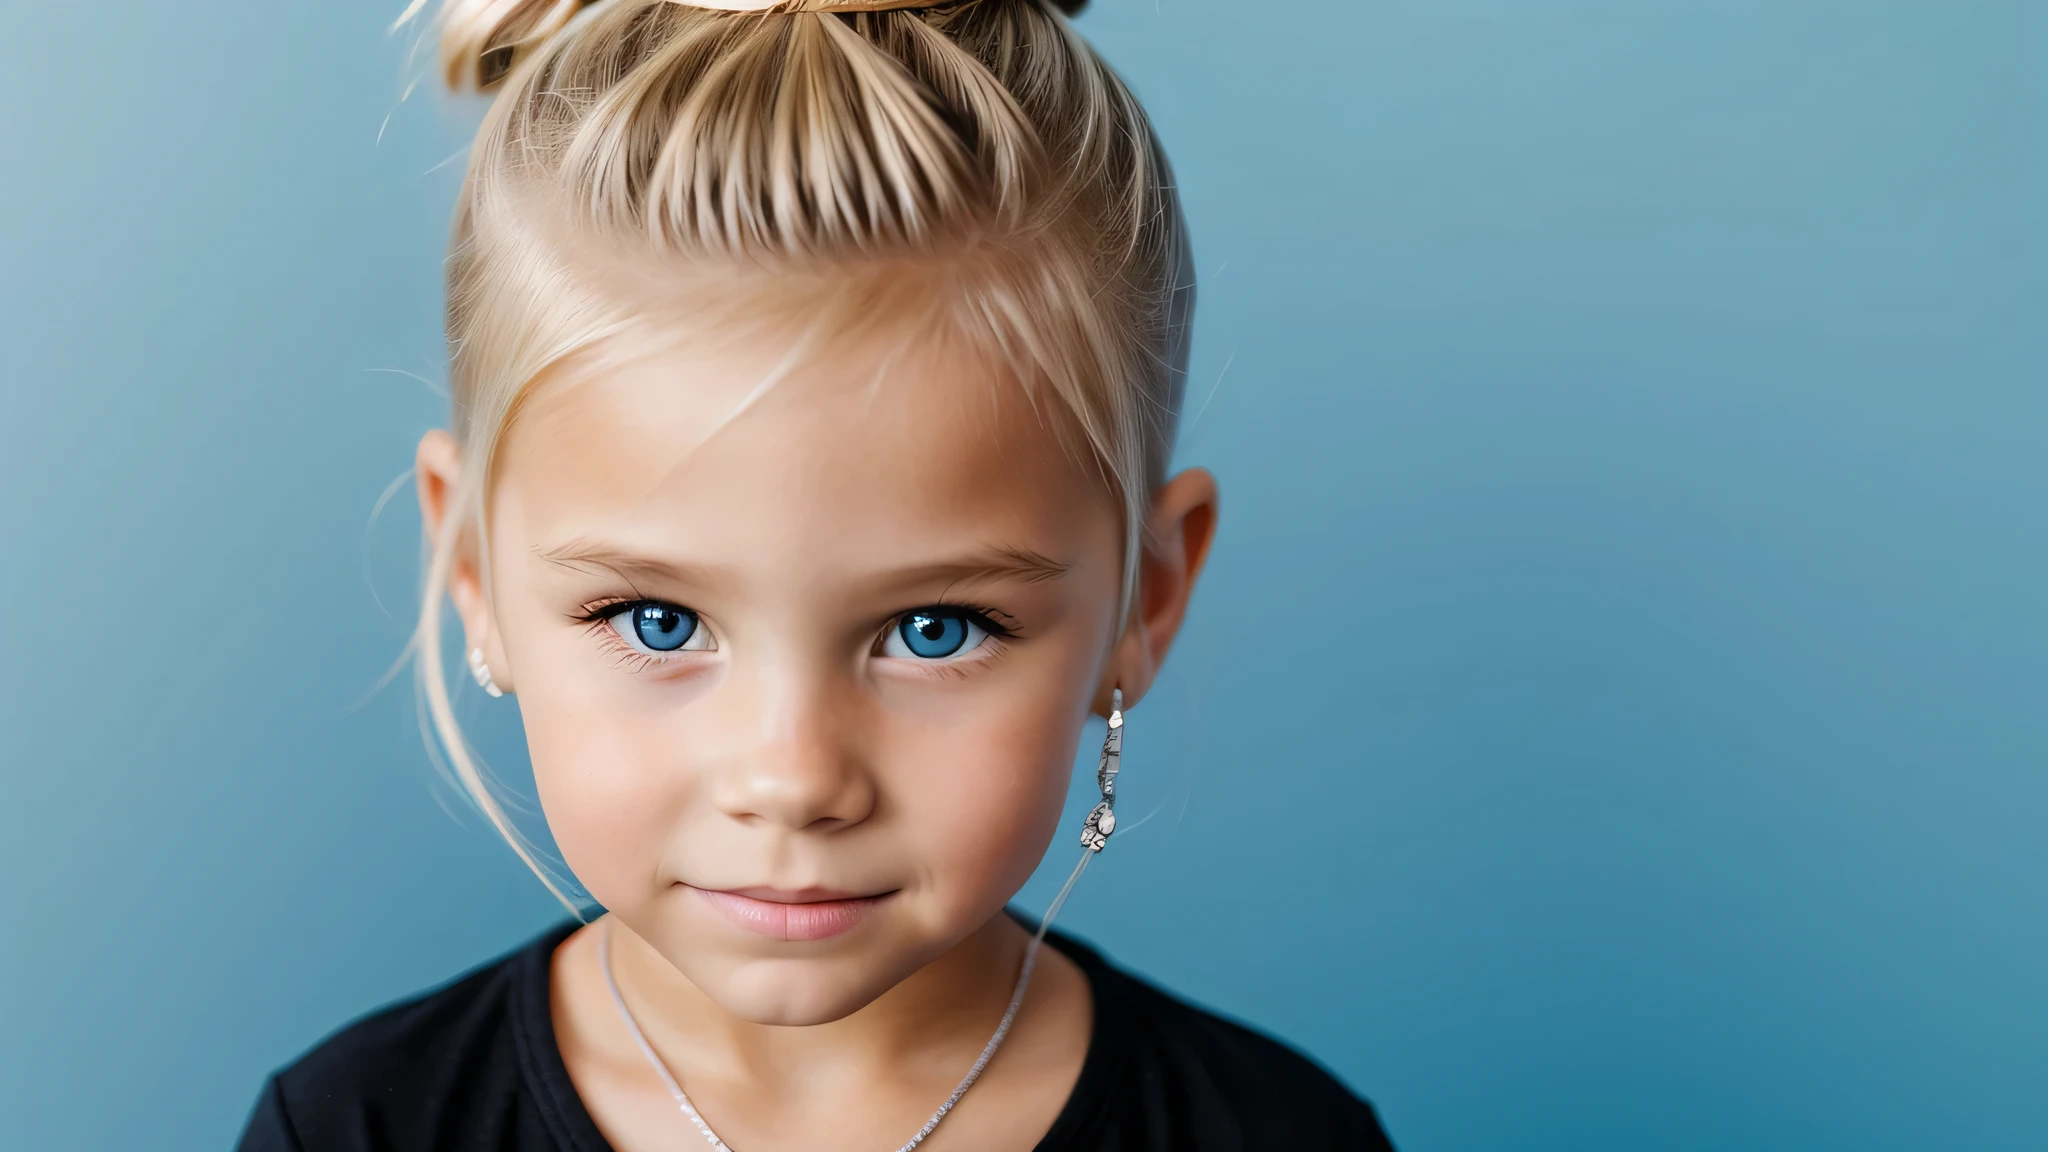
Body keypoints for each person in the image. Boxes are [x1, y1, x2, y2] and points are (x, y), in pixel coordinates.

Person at [236, 0, 1395, 1148]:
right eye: (656, 620)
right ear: (476, 574)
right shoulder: (354, 1129)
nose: (791, 778)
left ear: (1143, 599)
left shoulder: (1280, 1136)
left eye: (934, 629)